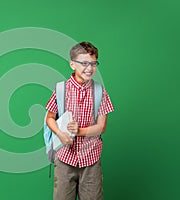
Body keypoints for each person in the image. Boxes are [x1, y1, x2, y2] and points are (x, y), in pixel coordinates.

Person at [45, 41, 114, 200]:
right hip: (64, 158)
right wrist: (60, 133)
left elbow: (102, 127)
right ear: (72, 65)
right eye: (84, 63)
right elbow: (50, 118)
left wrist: (79, 131)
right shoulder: (61, 89)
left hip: (91, 159)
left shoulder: (100, 92)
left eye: (93, 63)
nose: (89, 68)